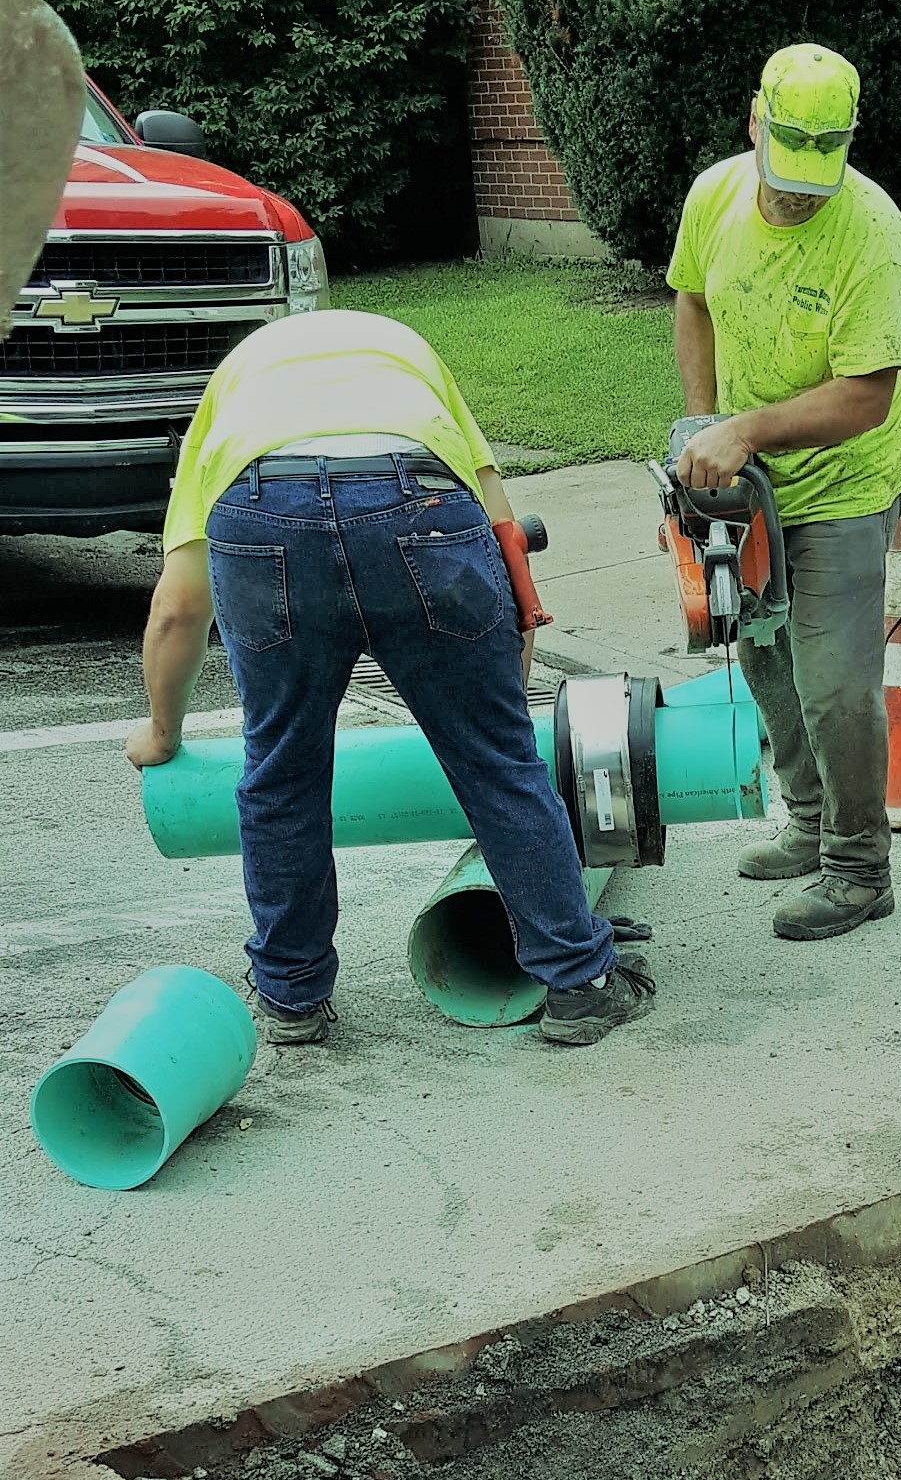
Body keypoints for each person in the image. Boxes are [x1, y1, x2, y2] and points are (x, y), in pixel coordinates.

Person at [127, 309, 654, 1049]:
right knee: (499, 764)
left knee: (280, 773)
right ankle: (578, 982)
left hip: (263, 512)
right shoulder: (405, 353)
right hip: (417, 502)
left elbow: (178, 609)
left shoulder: (231, 395)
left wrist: (162, 731)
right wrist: (503, 681)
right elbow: (504, 533)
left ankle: (291, 998)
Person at [667, 42, 901, 943]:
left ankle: (859, 868)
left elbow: (867, 395)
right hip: (749, 483)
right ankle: (808, 821)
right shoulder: (714, 196)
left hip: (844, 486)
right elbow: (691, 302)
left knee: (836, 684)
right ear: (753, 122)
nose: (797, 194)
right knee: (763, 657)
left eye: (816, 178)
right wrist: (702, 428)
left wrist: (746, 431)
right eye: (784, 173)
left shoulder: (874, 239)